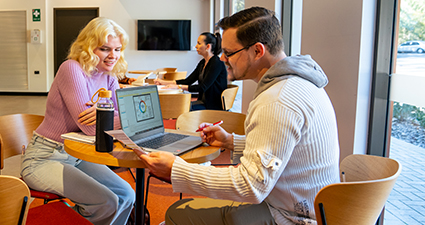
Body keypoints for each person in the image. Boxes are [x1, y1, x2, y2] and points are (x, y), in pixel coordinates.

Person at [134, 6, 341, 225]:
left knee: (175, 214)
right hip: (312, 208)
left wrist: (176, 169)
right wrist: (231, 141)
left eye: (229, 52)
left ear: (257, 51)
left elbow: (250, 186)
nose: (222, 58)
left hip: (292, 217)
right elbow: (285, 152)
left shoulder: (276, 99)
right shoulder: (302, 82)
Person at [21, 17, 135, 225]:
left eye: (117, 49)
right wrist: (117, 117)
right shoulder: (71, 68)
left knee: (128, 195)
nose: (113, 56)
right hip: (44, 158)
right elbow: (92, 128)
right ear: (89, 47)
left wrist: (110, 117)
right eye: (105, 49)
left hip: (76, 155)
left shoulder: (109, 76)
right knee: (106, 202)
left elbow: (118, 118)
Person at [154, 32, 228, 110]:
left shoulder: (216, 63)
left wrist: (178, 87)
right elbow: (188, 80)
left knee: (178, 108)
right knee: (176, 106)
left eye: (199, 43)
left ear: (208, 46)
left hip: (212, 106)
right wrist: (163, 82)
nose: (196, 46)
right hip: (203, 102)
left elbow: (202, 88)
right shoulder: (203, 62)